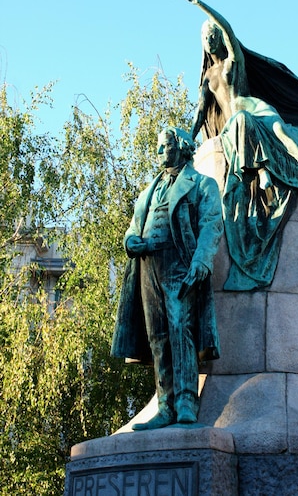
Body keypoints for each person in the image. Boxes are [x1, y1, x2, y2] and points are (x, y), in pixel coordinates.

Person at [170, 0, 298, 290]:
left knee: (281, 130)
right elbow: (201, 111)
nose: (210, 38)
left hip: (253, 107)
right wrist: (189, 135)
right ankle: (262, 175)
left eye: (212, 34)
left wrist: (202, 5)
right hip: (236, 122)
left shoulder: (233, 61)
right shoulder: (208, 77)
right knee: (240, 123)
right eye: (205, 36)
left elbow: (228, 30)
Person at [111, 127, 223, 429]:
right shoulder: (150, 190)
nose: (160, 152)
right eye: (159, 147)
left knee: (180, 328)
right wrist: (131, 240)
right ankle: (165, 405)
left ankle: (186, 399)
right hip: (148, 265)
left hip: (180, 263)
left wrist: (201, 260)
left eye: (165, 146)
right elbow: (134, 227)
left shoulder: (201, 184)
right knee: (157, 336)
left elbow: (212, 224)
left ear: (182, 147)